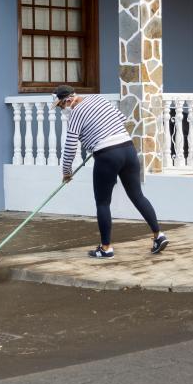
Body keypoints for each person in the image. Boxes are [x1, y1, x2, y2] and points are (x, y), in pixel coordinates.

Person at [53, 85, 168, 259]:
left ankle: (105, 249)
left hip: (107, 155)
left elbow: (70, 145)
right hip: (128, 149)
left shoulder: (75, 113)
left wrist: (66, 172)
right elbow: (121, 119)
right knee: (137, 195)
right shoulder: (99, 98)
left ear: (68, 100)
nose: (62, 110)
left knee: (103, 203)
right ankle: (158, 235)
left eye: (61, 106)